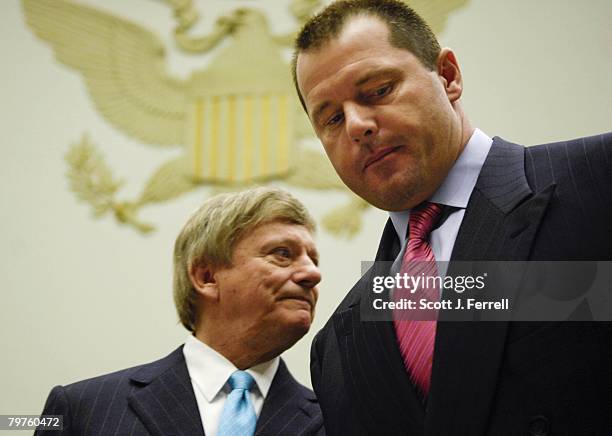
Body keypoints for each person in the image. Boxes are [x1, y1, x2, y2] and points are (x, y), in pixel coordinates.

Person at [292, 0, 612, 435]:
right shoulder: (334, 348)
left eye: (379, 90)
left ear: (448, 76)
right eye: (331, 117)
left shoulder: (596, 183)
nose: (356, 125)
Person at [36, 187, 325, 435]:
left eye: (313, 259)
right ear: (206, 277)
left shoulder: (339, 421)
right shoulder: (82, 410)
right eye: (283, 254)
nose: (312, 274)